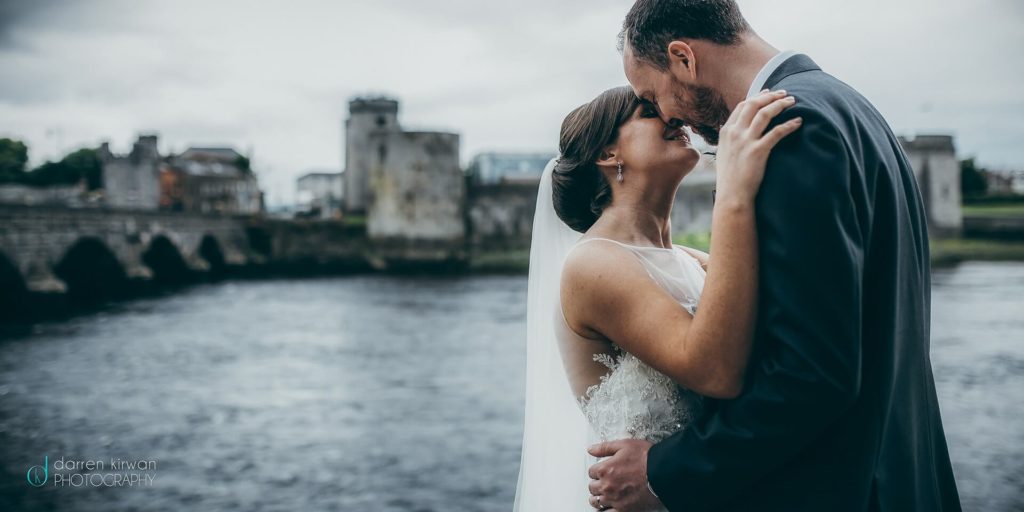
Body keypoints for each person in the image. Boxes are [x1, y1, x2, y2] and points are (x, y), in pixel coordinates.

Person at [583, 1, 961, 510]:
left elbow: (810, 375)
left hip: (840, 489)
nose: (669, 117)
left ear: (684, 59)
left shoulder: (786, 130)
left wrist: (664, 472)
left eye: (653, 96)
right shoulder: (848, 105)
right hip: (898, 475)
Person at [513, 84, 799, 511]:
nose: (675, 117)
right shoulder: (592, 265)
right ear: (609, 155)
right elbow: (715, 371)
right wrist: (733, 193)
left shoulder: (690, 260)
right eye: (650, 110)